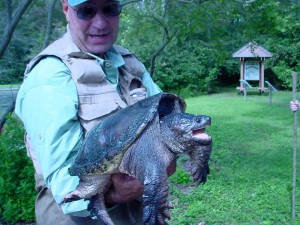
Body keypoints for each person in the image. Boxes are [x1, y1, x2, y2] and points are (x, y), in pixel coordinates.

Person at [15, 0, 176, 224]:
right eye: (87, 11)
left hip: (137, 211)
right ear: (66, 9)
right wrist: (117, 193)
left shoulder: (129, 63)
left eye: (109, 9)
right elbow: (64, 184)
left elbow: (167, 119)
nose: (100, 23)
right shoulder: (49, 78)